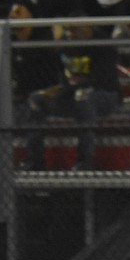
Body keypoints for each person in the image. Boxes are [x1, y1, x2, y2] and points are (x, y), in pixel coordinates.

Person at [24, 16, 120, 171]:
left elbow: (101, 79)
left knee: (83, 97)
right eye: (68, 30)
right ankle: (35, 160)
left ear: (88, 28)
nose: (71, 34)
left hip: (104, 96)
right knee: (36, 99)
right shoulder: (65, 45)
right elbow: (63, 80)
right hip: (71, 95)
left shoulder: (103, 45)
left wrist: (72, 87)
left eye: (75, 29)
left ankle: (84, 160)